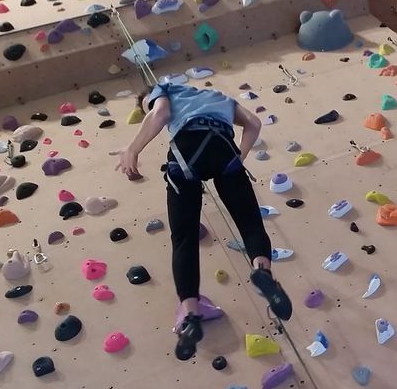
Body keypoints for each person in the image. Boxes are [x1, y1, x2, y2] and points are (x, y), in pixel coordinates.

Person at [116, 82, 293, 360]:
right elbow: (254, 124)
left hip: (188, 148)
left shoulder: (163, 90)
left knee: (184, 236)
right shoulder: (218, 96)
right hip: (224, 147)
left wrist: (133, 149)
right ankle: (262, 271)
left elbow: (160, 114)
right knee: (249, 222)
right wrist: (239, 157)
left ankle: (191, 315)